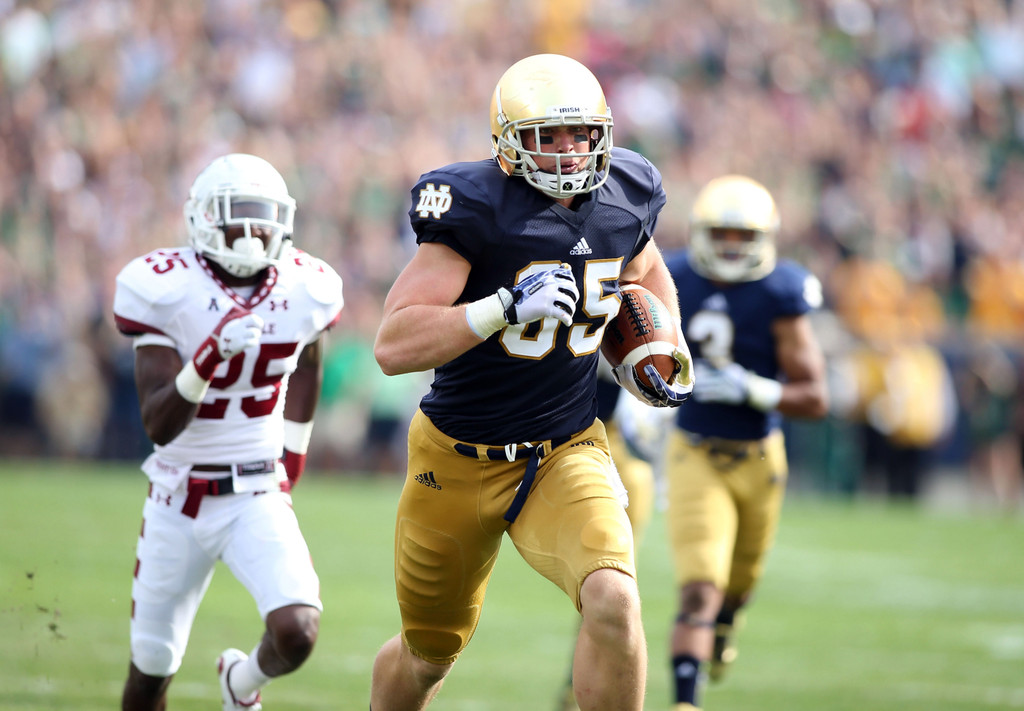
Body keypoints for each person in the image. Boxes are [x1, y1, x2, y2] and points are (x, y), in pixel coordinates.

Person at [369, 53, 693, 711]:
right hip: (457, 459)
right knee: (427, 656)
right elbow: (393, 344)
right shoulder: (476, 206)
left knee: (614, 596)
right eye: (549, 135)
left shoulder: (625, 192)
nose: (570, 150)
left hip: (564, 449)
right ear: (509, 141)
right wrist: (501, 308)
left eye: (581, 133)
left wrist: (665, 346)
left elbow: (646, 268)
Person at [112, 153, 344, 711]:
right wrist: (210, 355)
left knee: (298, 629)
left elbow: (309, 360)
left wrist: (294, 451)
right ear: (204, 218)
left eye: (265, 215)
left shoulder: (307, 284)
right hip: (179, 495)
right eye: (240, 213)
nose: (255, 229)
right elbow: (160, 424)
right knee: (151, 671)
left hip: (256, 488)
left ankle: (240, 684)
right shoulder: (165, 286)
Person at [662, 175, 829, 711]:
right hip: (694, 451)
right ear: (700, 233)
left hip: (760, 457)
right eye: (722, 234)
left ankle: (728, 619)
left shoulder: (781, 291)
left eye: (744, 235)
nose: (732, 246)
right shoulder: (671, 276)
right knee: (699, 588)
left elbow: (816, 397)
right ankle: (686, 702)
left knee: (737, 588)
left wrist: (756, 389)